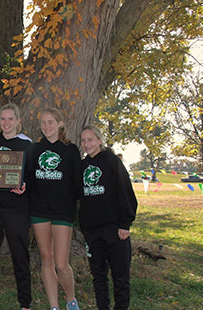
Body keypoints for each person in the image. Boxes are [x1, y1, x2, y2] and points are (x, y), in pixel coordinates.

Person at [79, 125, 137, 310]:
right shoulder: (82, 166)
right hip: (92, 231)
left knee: (120, 277)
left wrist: (125, 224)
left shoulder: (112, 162)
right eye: (83, 141)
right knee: (98, 276)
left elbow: (125, 192)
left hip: (115, 230)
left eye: (90, 140)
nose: (87, 144)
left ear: (99, 140)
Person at [29, 108, 82, 310]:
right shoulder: (34, 149)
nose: (46, 126)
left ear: (60, 124)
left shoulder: (71, 150)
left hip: (62, 212)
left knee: (61, 263)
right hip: (39, 211)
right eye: (43, 123)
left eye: (50, 122)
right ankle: (54, 306)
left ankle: (70, 300)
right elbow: (28, 178)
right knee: (46, 259)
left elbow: (78, 184)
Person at [0, 103, 32, 310]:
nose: (7, 122)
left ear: (18, 121)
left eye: (11, 119)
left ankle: (25, 304)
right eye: (3, 119)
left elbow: (31, 174)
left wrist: (25, 185)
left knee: (20, 256)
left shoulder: (27, 144)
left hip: (16, 209)